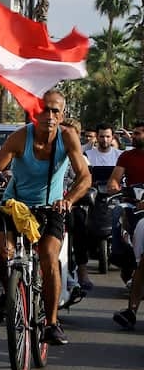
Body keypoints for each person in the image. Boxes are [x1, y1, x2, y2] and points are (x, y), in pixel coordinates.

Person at [0, 90, 91, 345]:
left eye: (55, 111)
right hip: (15, 205)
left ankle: (52, 323)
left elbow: (85, 177)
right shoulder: (20, 137)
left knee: (48, 257)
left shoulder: (67, 138)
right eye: (45, 109)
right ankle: (9, 293)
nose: (50, 115)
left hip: (52, 208)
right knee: (1, 254)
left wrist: (68, 200)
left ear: (62, 114)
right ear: (36, 113)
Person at [70, 124, 122, 289]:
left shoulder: (120, 156)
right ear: (96, 137)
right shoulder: (87, 155)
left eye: (108, 136)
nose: (104, 140)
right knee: (81, 223)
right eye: (101, 136)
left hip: (114, 198)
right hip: (91, 198)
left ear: (112, 137)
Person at [110, 122, 144, 333]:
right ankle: (121, 254)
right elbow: (114, 181)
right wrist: (118, 188)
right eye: (133, 133)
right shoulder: (126, 157)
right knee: (117, 212)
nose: (134, 136)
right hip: (134, 203)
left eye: (138, 133)